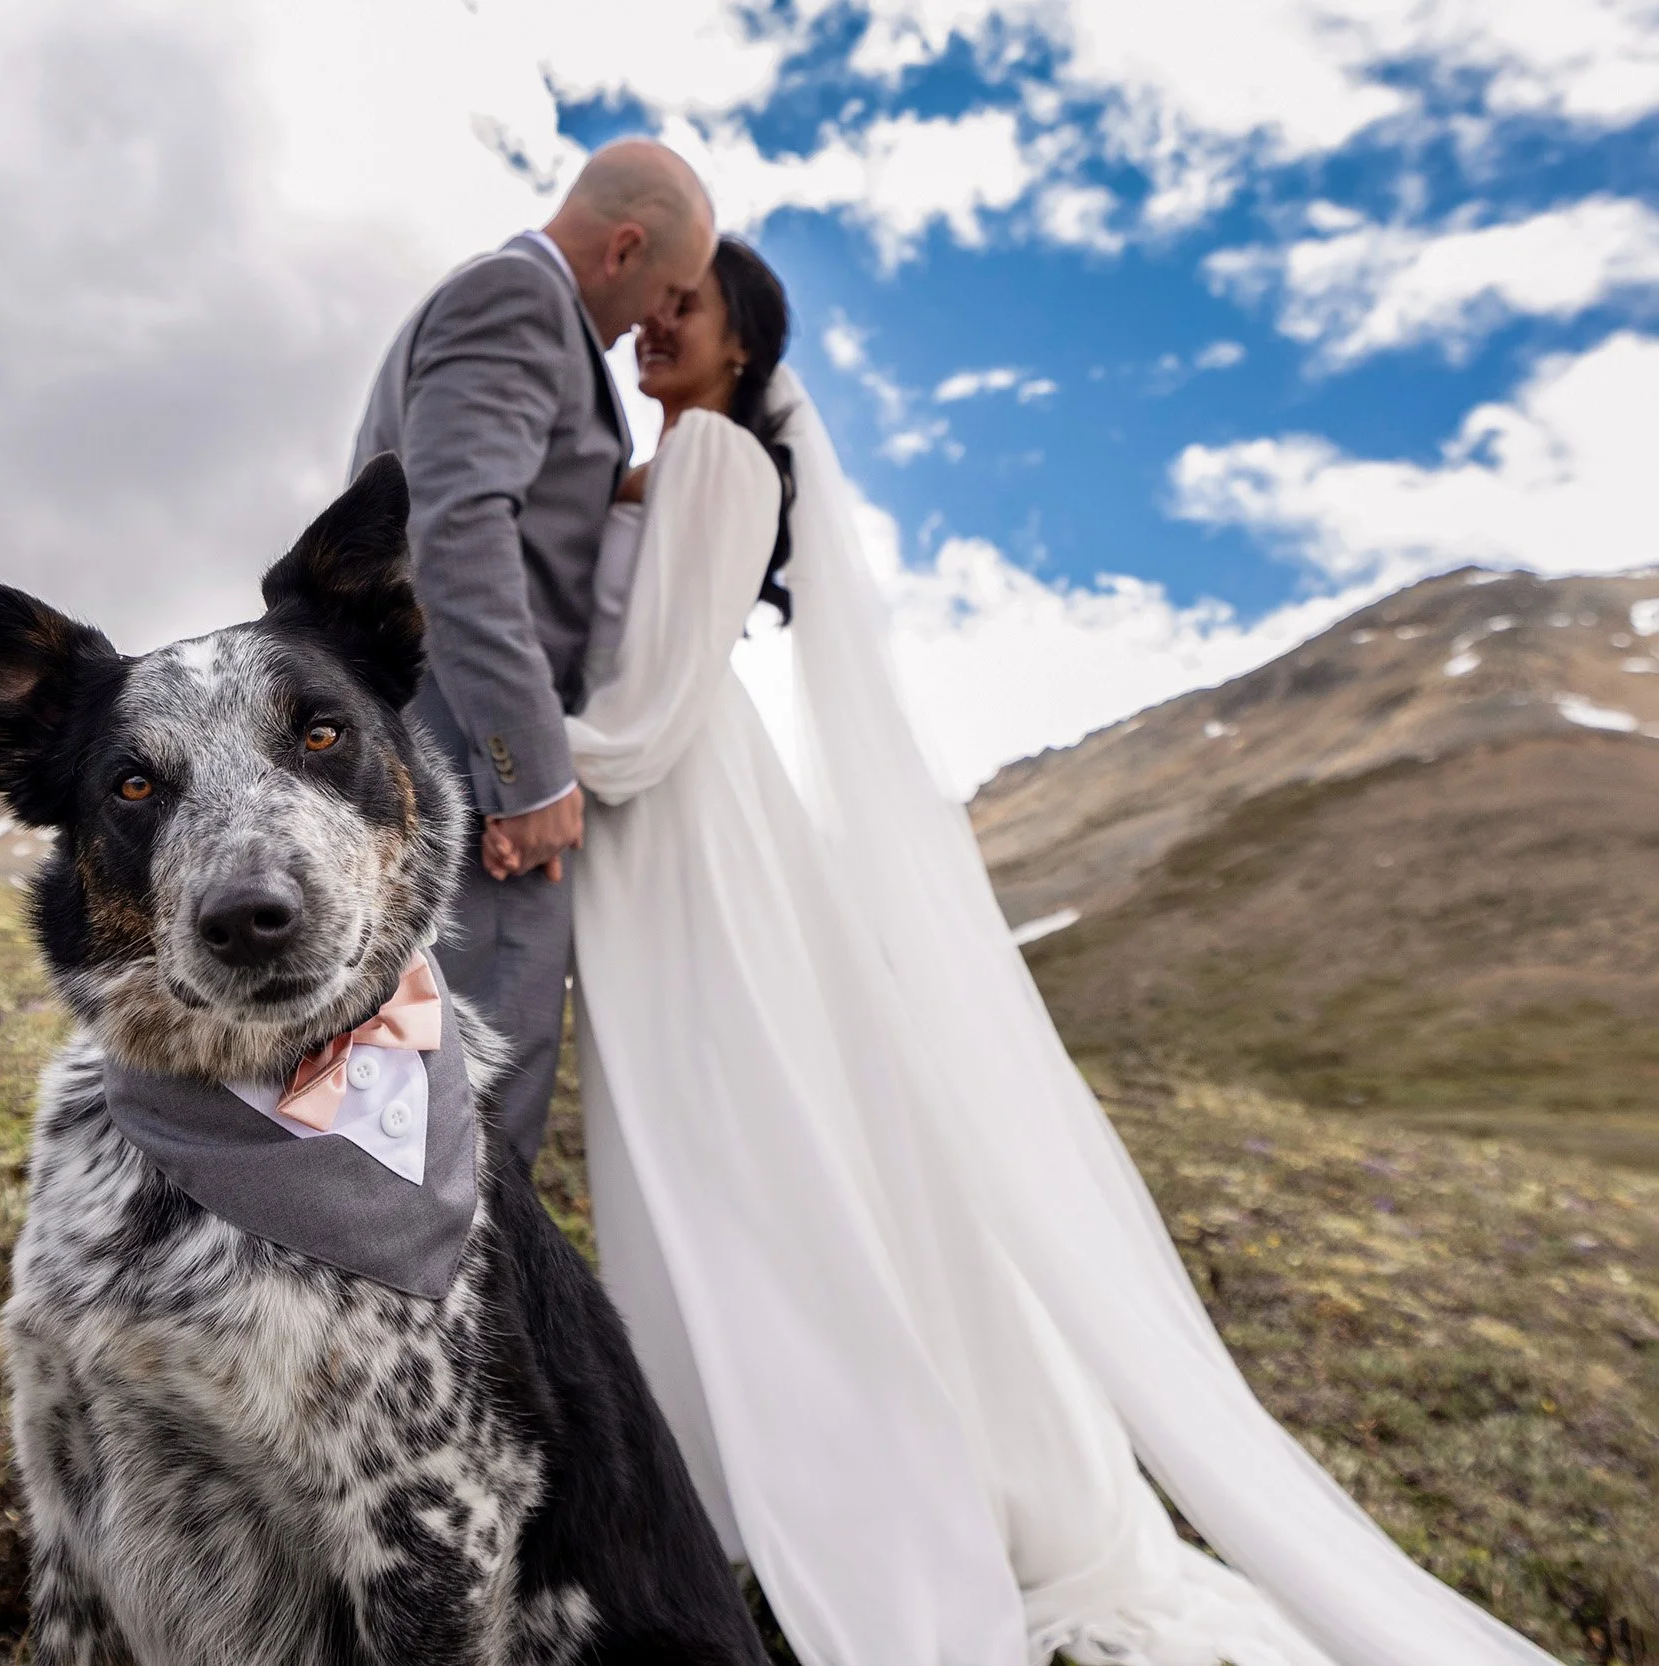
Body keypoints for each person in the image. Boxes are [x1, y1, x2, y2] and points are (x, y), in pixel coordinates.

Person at [551, 234, 1566, 1666]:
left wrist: (509, 760)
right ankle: (743, 1471)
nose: (658, 320)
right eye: (655, 299)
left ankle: (818, 1488)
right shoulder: (656, 459)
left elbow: (650, 712)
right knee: (720, 1146)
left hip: (684, 821)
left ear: (743, 344)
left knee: (740, 1149)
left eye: (690, 304)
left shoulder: (718, 464)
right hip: (667, 826)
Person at [351, 138, 715, 1167]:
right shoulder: (519, 301)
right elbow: (458, 526)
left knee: (404, 1072)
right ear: (627, 247)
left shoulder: (508, 304)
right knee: (475, 1078)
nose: (662, 317)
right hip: (467, 760)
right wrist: (528, 769)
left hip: (432, 743)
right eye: (670, 288)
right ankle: (451, 1319)